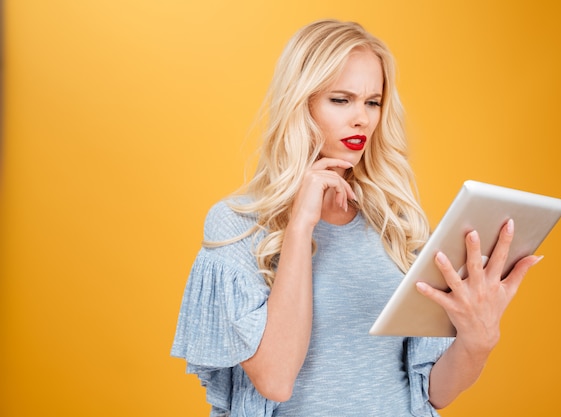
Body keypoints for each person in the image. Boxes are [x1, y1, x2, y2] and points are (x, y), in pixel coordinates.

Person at [171, 19, 541, 417]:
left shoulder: (396, 222)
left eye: (372, 102)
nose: (362, 119)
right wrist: (300, 227)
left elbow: (433, 392)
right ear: (302, 102)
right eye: (341, 100)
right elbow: (275, 381)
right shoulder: (237, 225)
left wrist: (477, 338)